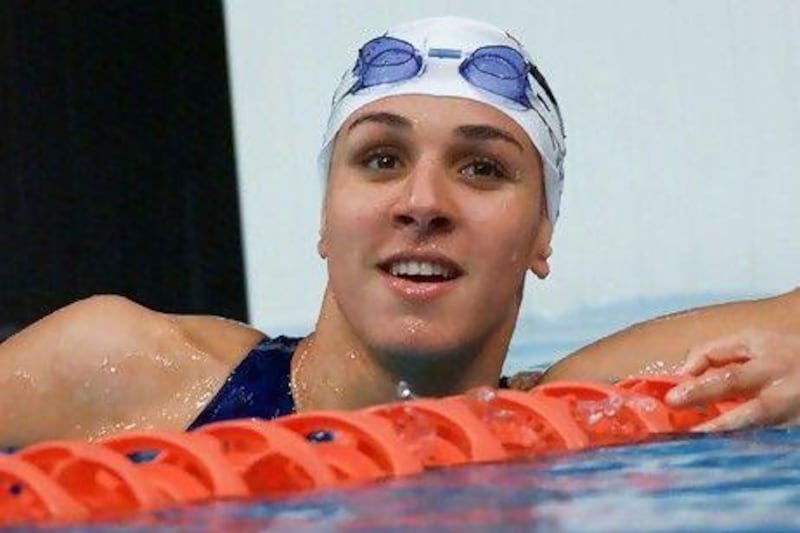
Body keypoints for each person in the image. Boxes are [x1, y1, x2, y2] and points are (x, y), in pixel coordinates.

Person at [0, 17, 797, 447]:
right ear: (324, 215)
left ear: (543, 233)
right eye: (381, 158)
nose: (423, 201)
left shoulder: (597, 407)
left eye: (483, 169)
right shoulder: (130, 374)